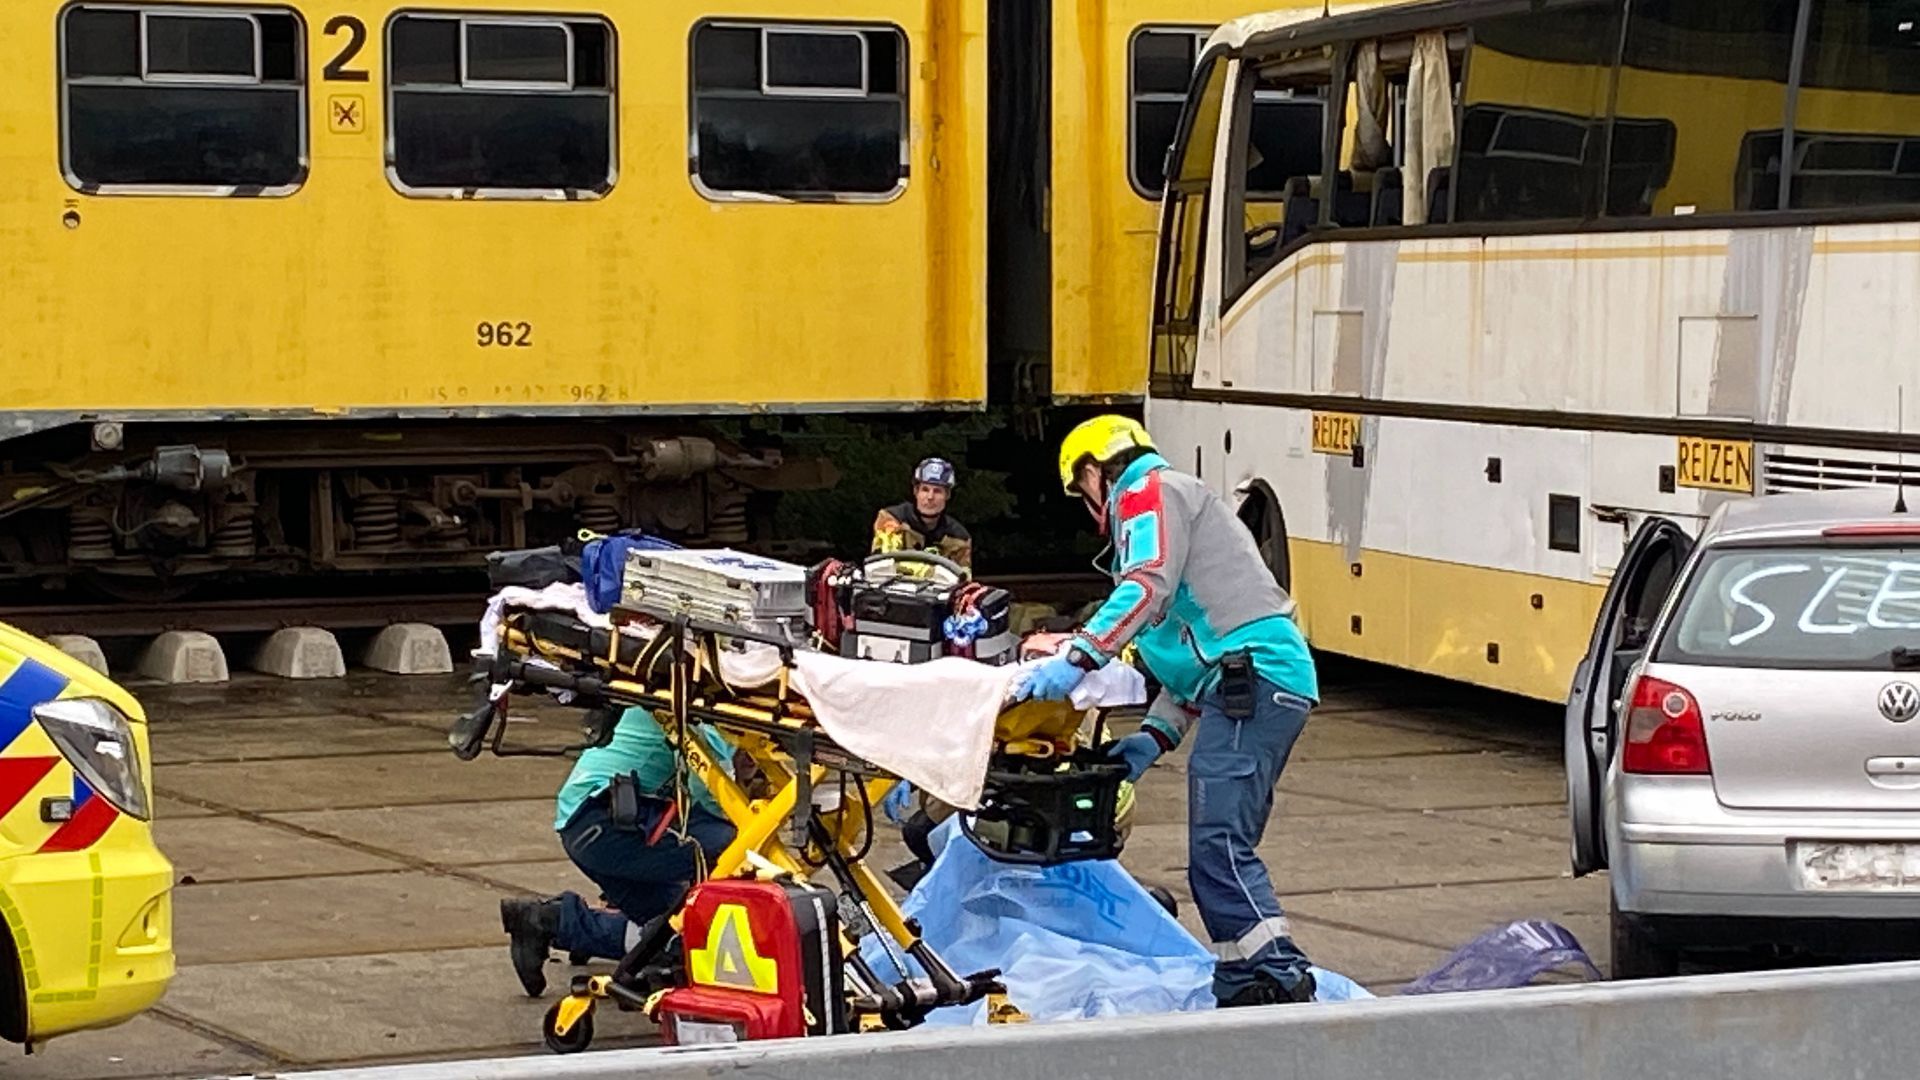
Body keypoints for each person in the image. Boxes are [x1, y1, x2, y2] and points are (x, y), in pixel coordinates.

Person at [1015, 414, 1320, 1007]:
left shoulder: (1149, 493)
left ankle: (1280, 975)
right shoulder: (1181, 506)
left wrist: (1080, 655)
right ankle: (1240, 976)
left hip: (1254, 681)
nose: (1089, 506)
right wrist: (1152, 738)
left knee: (1219, 848)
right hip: (1255, 681)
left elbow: (1146, 586)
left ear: (1092, 471)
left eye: (1082, 492)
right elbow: (1195, 660)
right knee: (1217, 850)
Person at [498, 707, 737, 997]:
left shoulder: (668, 692)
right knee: (740, 849)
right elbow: (715, 793)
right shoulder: (704, 715)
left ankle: (549, 921)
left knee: (682, 935)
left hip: (586, 820)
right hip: (608, 823)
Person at [872, 457, 973, 571]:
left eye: (937, 491)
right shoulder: (891, 519)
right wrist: (931, 571)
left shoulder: (959, 538)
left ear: (947, 495)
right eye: (925, 489)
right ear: (916, 491)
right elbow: (884, 564)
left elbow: (963, 579)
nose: (930, 497)